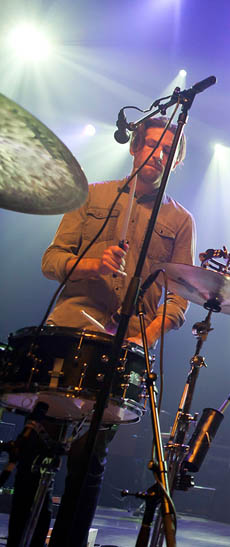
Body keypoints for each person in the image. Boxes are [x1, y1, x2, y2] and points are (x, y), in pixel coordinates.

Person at [7, 117, 196, 547]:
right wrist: (93, 264)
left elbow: (180, 300)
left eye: (168, 152)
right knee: (40, 444)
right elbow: (50, 260)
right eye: (152, 146)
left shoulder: (180, 221)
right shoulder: (93, 195)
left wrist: (142, 337)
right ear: (135, 148)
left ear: (176, 161)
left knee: (89, 456)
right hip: (71, 327)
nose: (158, 157)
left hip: (125, 344)